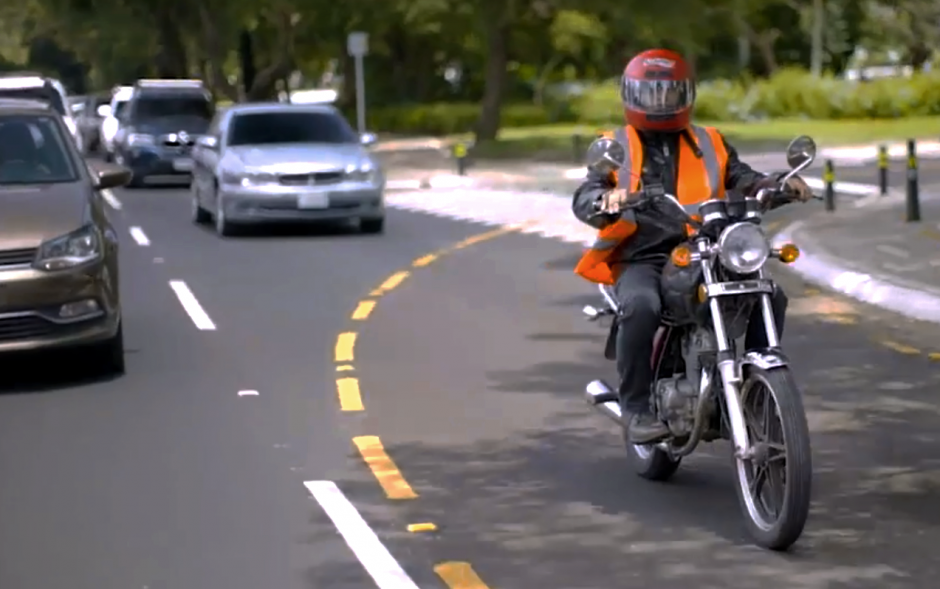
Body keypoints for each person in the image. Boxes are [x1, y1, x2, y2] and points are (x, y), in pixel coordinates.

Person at [571, 48, 814, 444]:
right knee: (641, 306)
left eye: (670, 93)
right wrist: (606, 200)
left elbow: (743, 177)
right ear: (631, 96)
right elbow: (588, 192)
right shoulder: (615, 145)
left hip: (710, 246)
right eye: (652, 94)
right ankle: (636, 408)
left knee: (770, 295)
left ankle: (758, 383)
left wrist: (776, 186)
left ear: (687, 94)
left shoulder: (710, 140)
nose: (661, 103)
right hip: (644, 253)